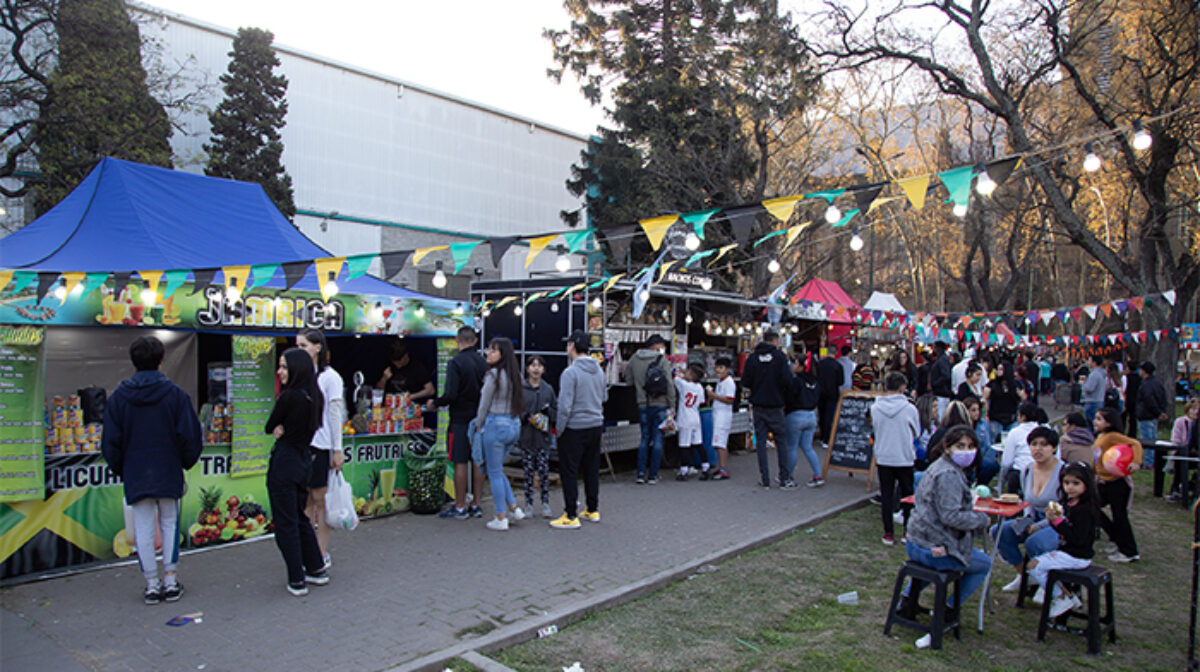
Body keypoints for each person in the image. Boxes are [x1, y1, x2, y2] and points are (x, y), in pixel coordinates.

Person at [101, 336, 203, 604]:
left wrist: (121, 468)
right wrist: (185, 461)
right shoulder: (176, 395)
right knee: (169, 522)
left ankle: (151, 584)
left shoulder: (119, 397)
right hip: (168, 467)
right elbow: (190, 436)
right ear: (161, 360)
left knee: (143, 528)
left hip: (135, 471)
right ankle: (170, 581)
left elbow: (110, 441)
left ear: (133, 361)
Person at [899, 425, 991, 640]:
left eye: (970, 446)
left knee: (931, 567)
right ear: (948, 448)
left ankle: (907, 600)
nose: (966, 451)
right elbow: (951, 516)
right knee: (983, 563)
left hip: (916, 541)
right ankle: (948, 609)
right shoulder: (949, 473)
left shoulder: (937, 466)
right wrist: (981, 520)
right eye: (961, 446)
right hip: (932, 547)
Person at [265, 348, 328, 596]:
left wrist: (279, 428)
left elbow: (269, 425)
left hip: (284, 462)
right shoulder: (315, 396)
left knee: (286, 522)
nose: (279, 372)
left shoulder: (289, 397)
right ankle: (315, 567)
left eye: (283, 367)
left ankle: (296, 578)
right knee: (301, 517)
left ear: (295, 370)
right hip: (303, 461)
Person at [993, 427, 1064, 593]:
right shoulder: (1028, 469)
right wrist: (1026, 521)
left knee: (1035, 542)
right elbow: (1028, 503)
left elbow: (1064, 510)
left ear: (1053, 448)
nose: (1038, 448)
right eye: (1034, 444)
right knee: (999, 531)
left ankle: (1047, 582)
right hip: (1034, 517)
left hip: (1056, 522)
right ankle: (1024, 574)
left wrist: (1038, 526)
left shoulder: (1063, 472)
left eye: (1044, 445)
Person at [296, 329, 344, 570]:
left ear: (317, 348)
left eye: (304, 345)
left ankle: (320, 552)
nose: (300, 350)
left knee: (320, 500)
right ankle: (307, 551)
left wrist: (337, 448)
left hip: (322, 445)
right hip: (302, 445)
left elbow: (335, 414)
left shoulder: (330, 377)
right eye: (298, 346)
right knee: (305, 501)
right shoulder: (300, 376)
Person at [429, 326, 488, 519]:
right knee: (478, 461)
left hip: (460, 419)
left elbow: (450, 394)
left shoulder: (455, 362)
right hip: (480, 418)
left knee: (460, 461)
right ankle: (477, 504)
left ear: (457, 340)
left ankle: (460, 506)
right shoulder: (483, 362)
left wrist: (435, 403)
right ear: (475, 341)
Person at [1027, 461, 1099, 617]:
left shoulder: (1085, 510)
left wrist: (1057, 522)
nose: (1070, 487)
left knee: (1034, 566)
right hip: (1067, 552)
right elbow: (1062, 531)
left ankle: (1060, 598)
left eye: (1076, 483)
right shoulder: (1068, 504)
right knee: (1038, 565)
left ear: (1086, 484)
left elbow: (1077, 537)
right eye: (1066, 483)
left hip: (1077, 555)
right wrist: (1053, 521)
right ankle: (1068, 596)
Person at [551, 330, 607, 529]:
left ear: (572, 346)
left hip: (574, 427)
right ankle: (592, 509)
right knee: (591, 469)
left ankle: (571, 514)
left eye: (568, 344)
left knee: (570, 471)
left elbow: (565, 406)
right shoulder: (599, 371)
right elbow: (604, 398)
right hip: (595, 425)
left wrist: (559, 429)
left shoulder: (570, 372)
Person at [475, 337, 525, 531]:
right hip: (513, 424)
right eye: (488, 349)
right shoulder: (515, 375)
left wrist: (478, 425)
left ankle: (500, 516)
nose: (488, 353)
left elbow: (484, 404)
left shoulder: (493, 375)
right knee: (498, 470)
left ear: (502, 354)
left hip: (496, 424)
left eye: (493, 350)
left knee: (494, 472)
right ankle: (513, 507)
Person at [741, 329, 794, 489]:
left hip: (758, 405)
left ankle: (765, 480)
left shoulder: (753, 358)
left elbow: (745, 381)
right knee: (781, 442)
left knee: (761, 443)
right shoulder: (779, 357)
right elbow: (788, 380)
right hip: (776, 405)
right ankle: (784, 478)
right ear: (776, 340)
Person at [871, 372, 919, 545]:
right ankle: (907, 531)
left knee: (887, 495)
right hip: (904, 456)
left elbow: (875, 428)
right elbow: (917, 431)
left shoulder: (875, 407)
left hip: (884, 455)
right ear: (902, 387)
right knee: (907, 496)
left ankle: (888, 532)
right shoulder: (910, 409)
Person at [1092, 406, 1143, 562]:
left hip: (1117, 483)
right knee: (1092, 507)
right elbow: (1097, 459)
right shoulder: (1101, 436)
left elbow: (1135, 444)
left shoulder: (1112, 436)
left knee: (1120, 516)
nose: (1095, 421)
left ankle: (1130, 552)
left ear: (1109, 423)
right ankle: (1115, 536)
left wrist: (1136, 462)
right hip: (1103, 482)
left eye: (1099, 419)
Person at [627, 334, 675, 484]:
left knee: (644, 438)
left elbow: (629, 380)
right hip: (660, 404)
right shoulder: (662, 360)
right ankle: (653, 475)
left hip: (642, 404)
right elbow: (669, 383)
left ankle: (640, 474)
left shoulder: (634, 359)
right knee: (658, 439)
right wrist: (672, 405)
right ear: (656, 345)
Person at [520, 355, 556, 519]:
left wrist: (549, 413)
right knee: (527, 472)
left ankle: (545, 503)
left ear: (544, 369)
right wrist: (525, 416)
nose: (536, 368)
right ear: (527, 368)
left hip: (543, 438)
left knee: (543, 471)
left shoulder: (548, 389)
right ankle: (528, 503)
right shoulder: (521, 389)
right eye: (533, 365)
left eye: (539, 366)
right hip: (526, 438)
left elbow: (556, 412)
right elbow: (515, 411)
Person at [785, 352, 824, 488]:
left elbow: (789, 397)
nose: (791, 365)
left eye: (794, 363)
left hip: (795, 416)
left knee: (792, 447)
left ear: (800, 365)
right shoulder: (814, 381)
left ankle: (788, 476)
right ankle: (818, 475)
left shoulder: (796, 381)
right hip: (811, 416)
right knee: (808, 447)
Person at [705, 357, 737, 480]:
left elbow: (729, 400)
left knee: (720, 443)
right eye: (717, 367)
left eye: (721, 368)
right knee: (719, 442)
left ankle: (723, 468)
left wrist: (714, 396)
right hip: (718, 414)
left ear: (728, 369)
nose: (718, 370)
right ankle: (721, 467)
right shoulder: (720, 381)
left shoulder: (729, 382)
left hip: (723, 417)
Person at [674, 363, 706, 480]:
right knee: (698, 443)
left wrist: (679, 373)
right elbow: (702, 402)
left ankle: (684, 470)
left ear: (691, 376)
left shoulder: (683, 385)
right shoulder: (699, 388)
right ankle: (705, 467)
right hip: (695, 417)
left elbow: (675, 378)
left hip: (684, 418)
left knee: (684, 445)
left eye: (687, 372)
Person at [1000, 402, 1041, 494]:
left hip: (1018, 474)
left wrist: (1002, 480)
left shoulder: (1015, 432)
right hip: (1040, 474)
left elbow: (1006, 462)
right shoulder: (1044, 431)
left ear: (1023, 417)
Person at [1134, 361, 1169, 468]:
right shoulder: (1157, 383)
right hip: (1154, 415)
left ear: (1144, 371)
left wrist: (1157, 411)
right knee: (1153, 437)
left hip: (1146, 414)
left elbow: (1149, 399)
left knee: (1147, 439)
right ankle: (1152, 460)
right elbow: (1163, 398)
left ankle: (1149, 462)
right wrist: (1161, 411)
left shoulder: (1146, 384)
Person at [985, 361, 1025, 444]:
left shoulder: (1016, 384)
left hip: (1011, 417)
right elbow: (985, 398)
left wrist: (1019, 394)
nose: (998, 371)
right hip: (995, 417)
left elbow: (1023, 398)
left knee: (1011, 442)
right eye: (998, 369)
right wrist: (986, 414)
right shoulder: (992, 384)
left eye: (1001, 369)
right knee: (994, 441)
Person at [1167, 399, 1200, 501]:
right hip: (1183, 451)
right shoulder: (1181, 422)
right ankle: (1177, 489)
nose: (1195, 412)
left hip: (1196, 453)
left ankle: (1192, 486)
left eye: (1198, 409)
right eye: (1193, 409)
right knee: (1180, 460)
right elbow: (1175, 440)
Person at [816, 350, 844, 445]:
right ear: (835, 353)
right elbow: (841, 381)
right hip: (832, 393)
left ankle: (822, 435)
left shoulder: (820, 364)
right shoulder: (838, 365)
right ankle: (826, 438)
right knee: (829, 415)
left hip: (820, 392)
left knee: (822, 414)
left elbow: (816, 376)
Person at [1081, 354, 1108, 424]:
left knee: (1090, 424)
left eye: (1089, 360)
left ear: (1094, 363)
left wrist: (1083, 384)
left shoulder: (1094, 374)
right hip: (1099, 400)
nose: (1088, 362)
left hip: (1092, 402)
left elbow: (1089, 388)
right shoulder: (1103, 373)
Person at [929, 341, 953, 419]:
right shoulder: (941, 359)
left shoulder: (942, 360)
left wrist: (935, 384)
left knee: (940, 416)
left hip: (942, 393)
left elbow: (946, 375)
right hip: (940, 392)